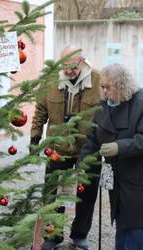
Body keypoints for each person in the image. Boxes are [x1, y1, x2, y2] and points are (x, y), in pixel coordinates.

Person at [30, 45, 101, 250]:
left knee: (87, 194)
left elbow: (106, 113)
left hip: (89, 150)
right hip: (58, 150)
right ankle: (53, 236)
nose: (68, 71)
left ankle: (80, 235)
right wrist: (35, 136)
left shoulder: (97, 80)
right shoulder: (51, 79)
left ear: (82, 61)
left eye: (72, 67)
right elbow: (41, 109)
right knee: (52, 194)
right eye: (65, 67)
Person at [77, 63, 143, 250]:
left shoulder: (141, 102)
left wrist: (119, 147)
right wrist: (82, 165)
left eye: (108, 87)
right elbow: (91, 139)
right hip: (117, 180)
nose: (104, 91)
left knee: (136, 228)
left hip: (138, 178)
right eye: (102, 87)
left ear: (121, 85)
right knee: (122, 223)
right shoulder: (103, 107)